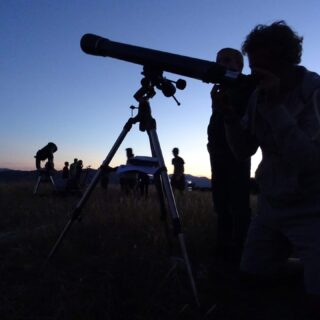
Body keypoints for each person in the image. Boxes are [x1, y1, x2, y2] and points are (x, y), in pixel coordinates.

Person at [218, 21, 320, 315]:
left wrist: (275, 107)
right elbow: (243, 151)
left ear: (287, 62)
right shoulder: (256, 95)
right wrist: (228, 118)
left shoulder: (314, 93)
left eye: (263, 66)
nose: (254, 74)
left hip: (312, 208)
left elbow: (310, 162)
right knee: (252, 276)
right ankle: (300, 265)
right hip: (272, 207)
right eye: (253, 66)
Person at [207, 48, 251, 260]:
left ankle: (241, 252)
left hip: (237, 156)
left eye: (226, 61)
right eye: (218, 61)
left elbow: (245, 127)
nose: (221, 65)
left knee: (238, 205)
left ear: (239, 66)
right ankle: (223, 250)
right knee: (221, 204)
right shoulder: (220, 89)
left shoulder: (244, 90)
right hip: (218, 156)